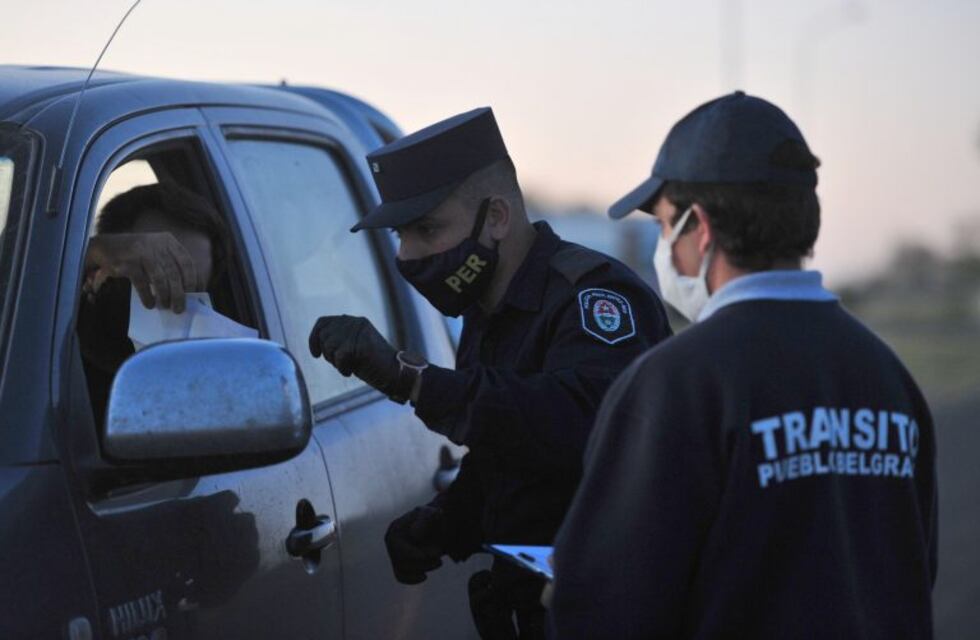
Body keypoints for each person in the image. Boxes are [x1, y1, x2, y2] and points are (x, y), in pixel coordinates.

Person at [548, 91, 937, 638]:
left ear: (699, 227)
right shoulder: (888, 378)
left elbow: (604, 606)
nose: (663, 248)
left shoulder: (672, 385)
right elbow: (913, 571)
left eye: (664, 227)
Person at [307, 107, 672, 638]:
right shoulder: (487, 309)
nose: (409, 255)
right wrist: (448, 520)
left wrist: (413, 381)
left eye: (428, 229)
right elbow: (517, 454)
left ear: (497, 217)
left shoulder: (593, 297)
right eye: (402, 236)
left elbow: (580, 425)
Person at [79, 182, 230, 423]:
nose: (171, 295)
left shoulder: (212, 392)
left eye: (191, 290)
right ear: (97, 272)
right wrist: (89, 251)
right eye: (153, 272)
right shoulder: (42, 331)